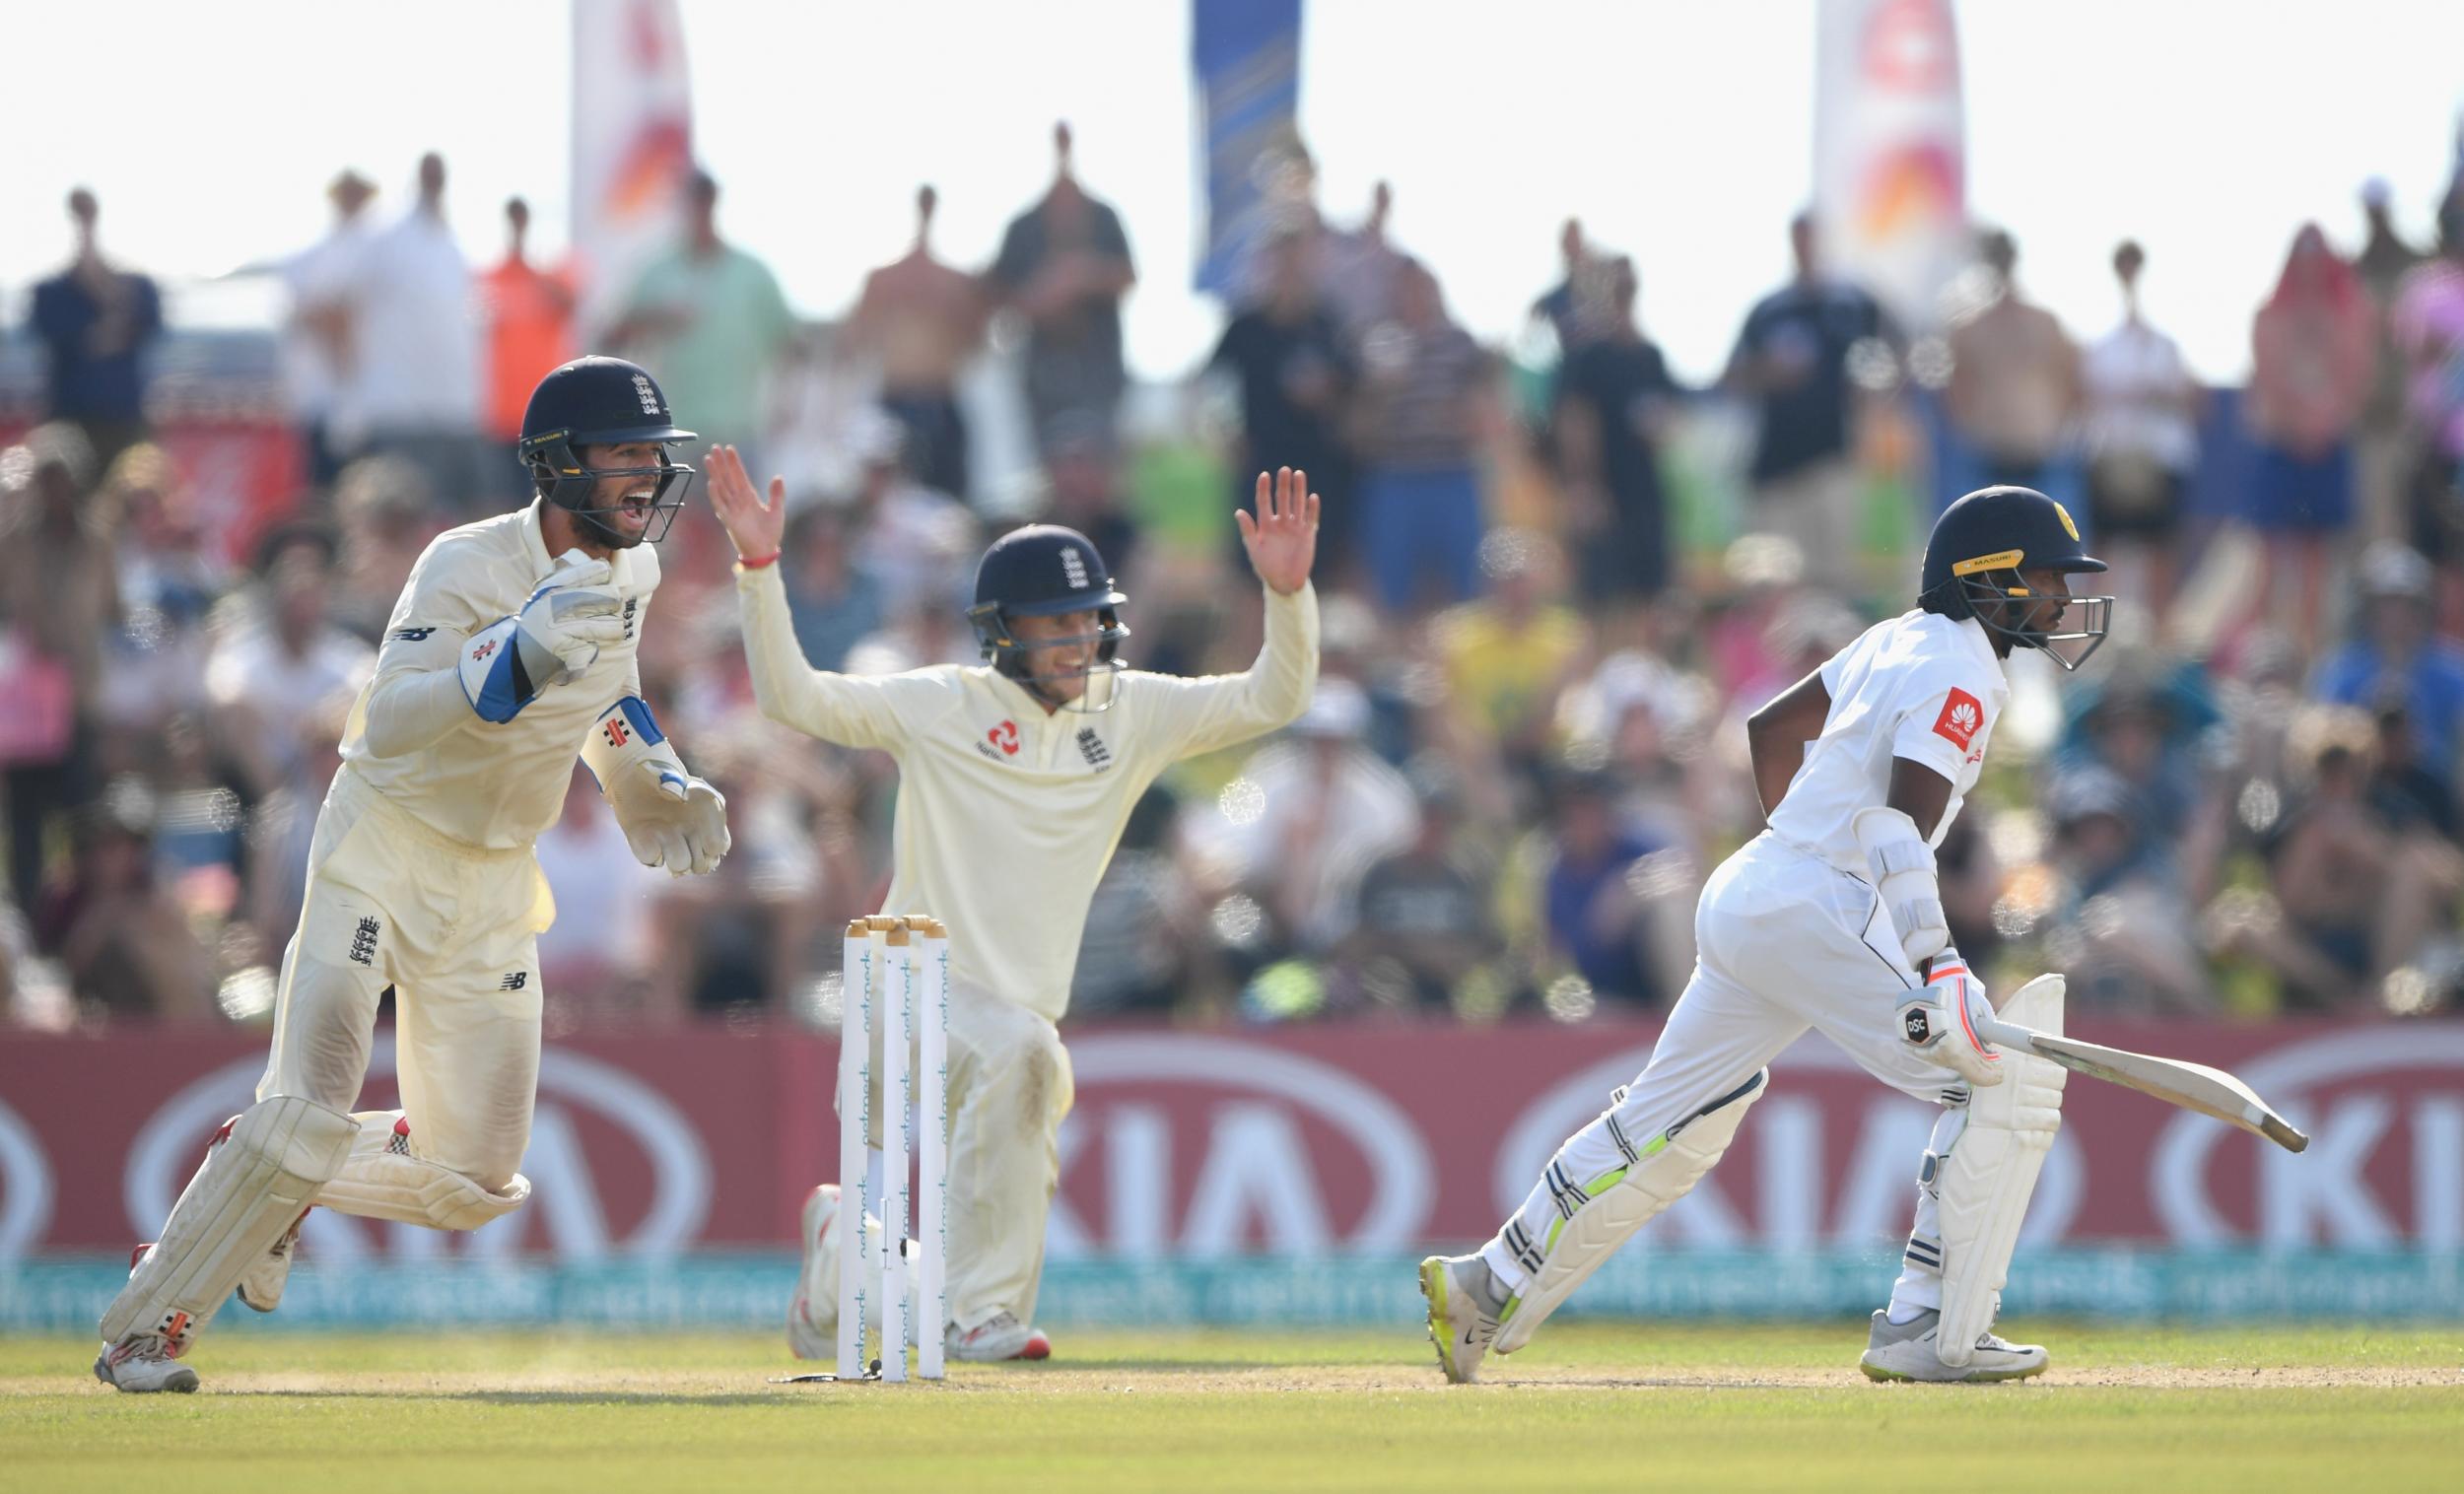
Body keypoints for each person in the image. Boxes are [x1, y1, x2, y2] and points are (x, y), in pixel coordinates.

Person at [92, 356, 732, 1392]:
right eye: (627, 456)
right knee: (310, 1097)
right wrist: (510, 650)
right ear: (561, 466)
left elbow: (610, 691)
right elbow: (386, 719)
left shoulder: (635, 571)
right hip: (383, 847)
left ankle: (275, 1170)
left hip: (492, 880)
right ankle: (145, 1330)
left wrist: (653, 779)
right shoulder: (461, 563)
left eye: (655, 458)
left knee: (472, 1180)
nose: (650, 478)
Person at [1422, 484, 2114, 1386]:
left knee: (1666, 1125)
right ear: (1990, 581)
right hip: (1817, 901)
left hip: (1754, 885)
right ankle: (1924, 1323)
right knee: (1992, 1076)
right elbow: (1896, 832)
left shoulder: (1892, 637)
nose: (2062, 602)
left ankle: (1489, 1277)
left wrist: (1800, 848)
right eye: (2048, 580)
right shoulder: (1965, 669)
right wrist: (1936, 962)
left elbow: (1770, 727)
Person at [711, 453, 1320, 1364]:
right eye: (1057, 625)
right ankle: (975, 1314)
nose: (1079, 642)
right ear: (1003, 633)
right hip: (911, 976)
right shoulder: (941, 703)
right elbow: (792, 697)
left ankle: (843, 1257)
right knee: (1029, 1057)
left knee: (1027, 1092)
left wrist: (1286, 594)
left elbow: (1276, 695)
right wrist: (759, 572)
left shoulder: (1132, 712)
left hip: (1021, 998)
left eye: (1091, 621)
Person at [1724, 213, 1896, 597]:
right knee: (1778, 580)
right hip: (1777, 464)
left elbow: (1898, 353)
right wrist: (1770, 372)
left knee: (1834, 577)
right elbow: (1734, 377)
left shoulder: (1852, 302)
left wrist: (1876, 393)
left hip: (1833, 458)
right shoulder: (1769, 310)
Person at [317, 154, 489, 510]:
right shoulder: (384, 239)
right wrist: (348, 394)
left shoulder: (450, 242)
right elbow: (336, 312)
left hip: (453, 412)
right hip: (400, 412)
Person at [610, 170, 800, 462]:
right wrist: (657, 318)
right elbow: (615, 335)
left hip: (740, 430)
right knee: (674, 507)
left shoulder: (753, 273)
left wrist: (786, 402)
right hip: (673, 429)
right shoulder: (657, 271)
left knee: (738, 508)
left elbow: (789, 343)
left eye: (703, 200)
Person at [2245, 224, 2373, 657]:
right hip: (2283, 445)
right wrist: (2300, 423)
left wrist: (2322, 423)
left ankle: (2310, 651)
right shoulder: (2271, 315)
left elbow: (2355, 378)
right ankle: (2265, 654)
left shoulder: (2348, 314)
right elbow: (2267, 379)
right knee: (2270, 560)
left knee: (2319, 562)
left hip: (2326, 446)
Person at [986, 122, 1138, 459]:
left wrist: (1081, 275)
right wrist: (1040, 297)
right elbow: (996, 293)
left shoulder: (1103, 217)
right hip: (1042, 367)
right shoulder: (1024, 226)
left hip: (1098, 365)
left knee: (1098, 461)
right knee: (1046, 463)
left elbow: (1128, 277)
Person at [845, 185, 990, 503]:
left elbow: (977, 343)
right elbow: (855, 341)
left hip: (941, 402)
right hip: (896, 401)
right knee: (884, 504)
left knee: (947, 507)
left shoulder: (955, 284)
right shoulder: (886, 280)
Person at [2081, 240, 2200, 615]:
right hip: (2111, 463)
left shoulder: (2166, 346)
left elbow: (2193, 401)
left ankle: (2160, 649)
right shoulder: (2098, 347)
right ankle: (2091, 646)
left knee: (2161, 558)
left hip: (2159, 464)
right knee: (2100, 559)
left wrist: (2154, 396)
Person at [29, 188, 162, 471]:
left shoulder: (139, 287)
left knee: (130, 493)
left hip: (124, 416)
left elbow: (145, 325)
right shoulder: (52, 292)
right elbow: (58, 333)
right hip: (69, 418)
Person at [1945, 230, 2081, 497]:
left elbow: (2071, 379)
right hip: (1989, 450)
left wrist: (2055, 429)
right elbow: (1957, 390)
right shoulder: (1970, 329)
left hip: (2039, 448)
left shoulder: (2044, 324)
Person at [479, 198, 577, 457]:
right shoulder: (492, 277)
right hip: (500, 416)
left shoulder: (551, 274)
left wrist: (532, 266)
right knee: (502, 496)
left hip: (547, 411)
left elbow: (570, 303)